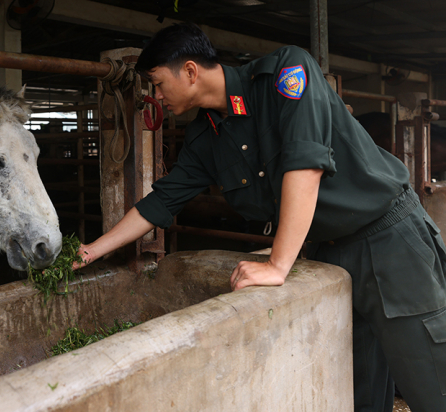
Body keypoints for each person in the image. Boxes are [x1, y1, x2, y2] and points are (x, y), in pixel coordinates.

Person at [75, 23, 446, 412]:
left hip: (388, 242)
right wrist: (90, 251)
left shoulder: (285, 73)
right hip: (328, 254)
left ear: (189, 71)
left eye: (157, 83)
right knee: (355, 393)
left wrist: (277, 264)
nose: (157, 96)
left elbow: (305, 165)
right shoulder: (206, 139)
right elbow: (160, 202)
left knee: (431, 384)